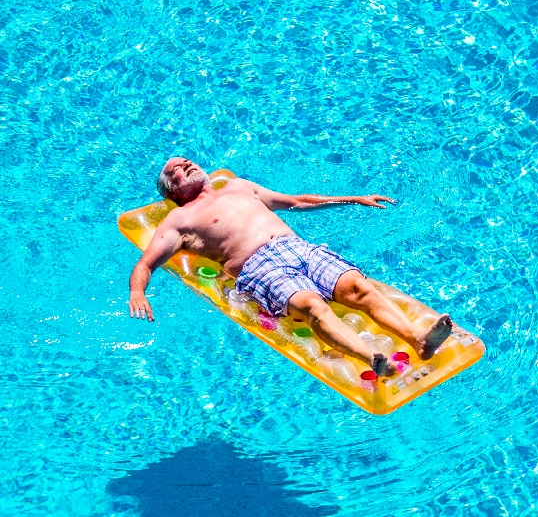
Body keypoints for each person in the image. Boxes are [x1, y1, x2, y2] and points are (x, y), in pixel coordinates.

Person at [128, 157, 453, 376]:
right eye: (176, 170)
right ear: (172, 190)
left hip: (298, 248)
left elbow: (296, 201)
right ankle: (372, 360)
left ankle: (420, 341)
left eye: (187, 161)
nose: (185, 165)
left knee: (359, 287)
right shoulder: (179, 220)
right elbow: (146, 263)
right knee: (311, 306)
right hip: (258, 266)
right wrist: (137, 292)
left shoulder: (239, 186)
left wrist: (353, 198)